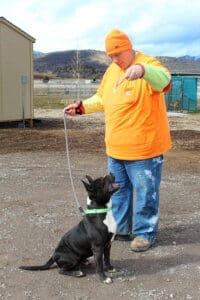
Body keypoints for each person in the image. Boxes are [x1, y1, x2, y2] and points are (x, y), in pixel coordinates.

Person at [63, 29, 172, 252]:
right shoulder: (112, 71)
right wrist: (81, 107)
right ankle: (121, 229)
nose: (115, 59)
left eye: (119, 54)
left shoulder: (148, 64)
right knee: (117, 192)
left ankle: (144, 234)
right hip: (116, 148)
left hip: (144, 150)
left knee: (145, 193)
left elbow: (164, 81)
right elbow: (102, 98)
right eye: (111, 56)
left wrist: (142, 70)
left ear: (129, 48)